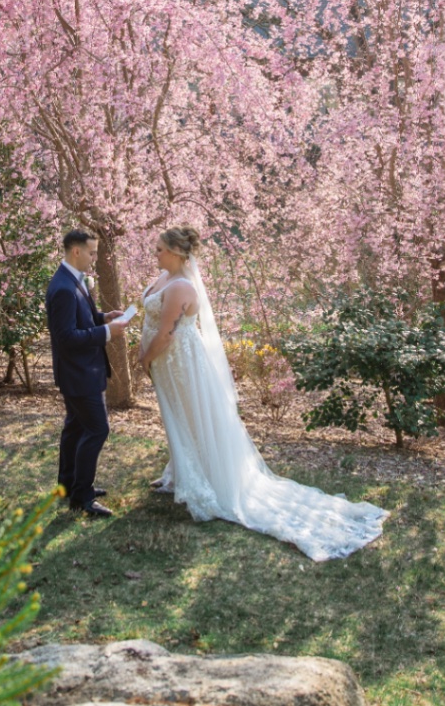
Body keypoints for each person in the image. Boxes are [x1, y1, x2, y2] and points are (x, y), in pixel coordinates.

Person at [137, 226, 388, 560]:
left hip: (180, 361)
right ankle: (183, 468)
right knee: (179, 416)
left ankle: (208, 479)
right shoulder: (163, 278)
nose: (155, 254)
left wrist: (144, 358)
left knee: (191, 415)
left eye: (159, 250)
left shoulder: (182, 285)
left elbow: (167, 332)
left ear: (177, 253)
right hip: (168, 364)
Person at [46, 228, 131, 517]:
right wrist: (107, 332)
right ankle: (82, 496)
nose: (95, 258)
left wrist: (102, 318)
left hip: (82, 371)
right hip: (78, 373)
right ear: (76, 251)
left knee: (76, 428)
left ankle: (68, 485)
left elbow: (82, 320)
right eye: (92, 252)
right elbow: (67, 337)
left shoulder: (73, 281)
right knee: (97, 428)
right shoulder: (63, 289)